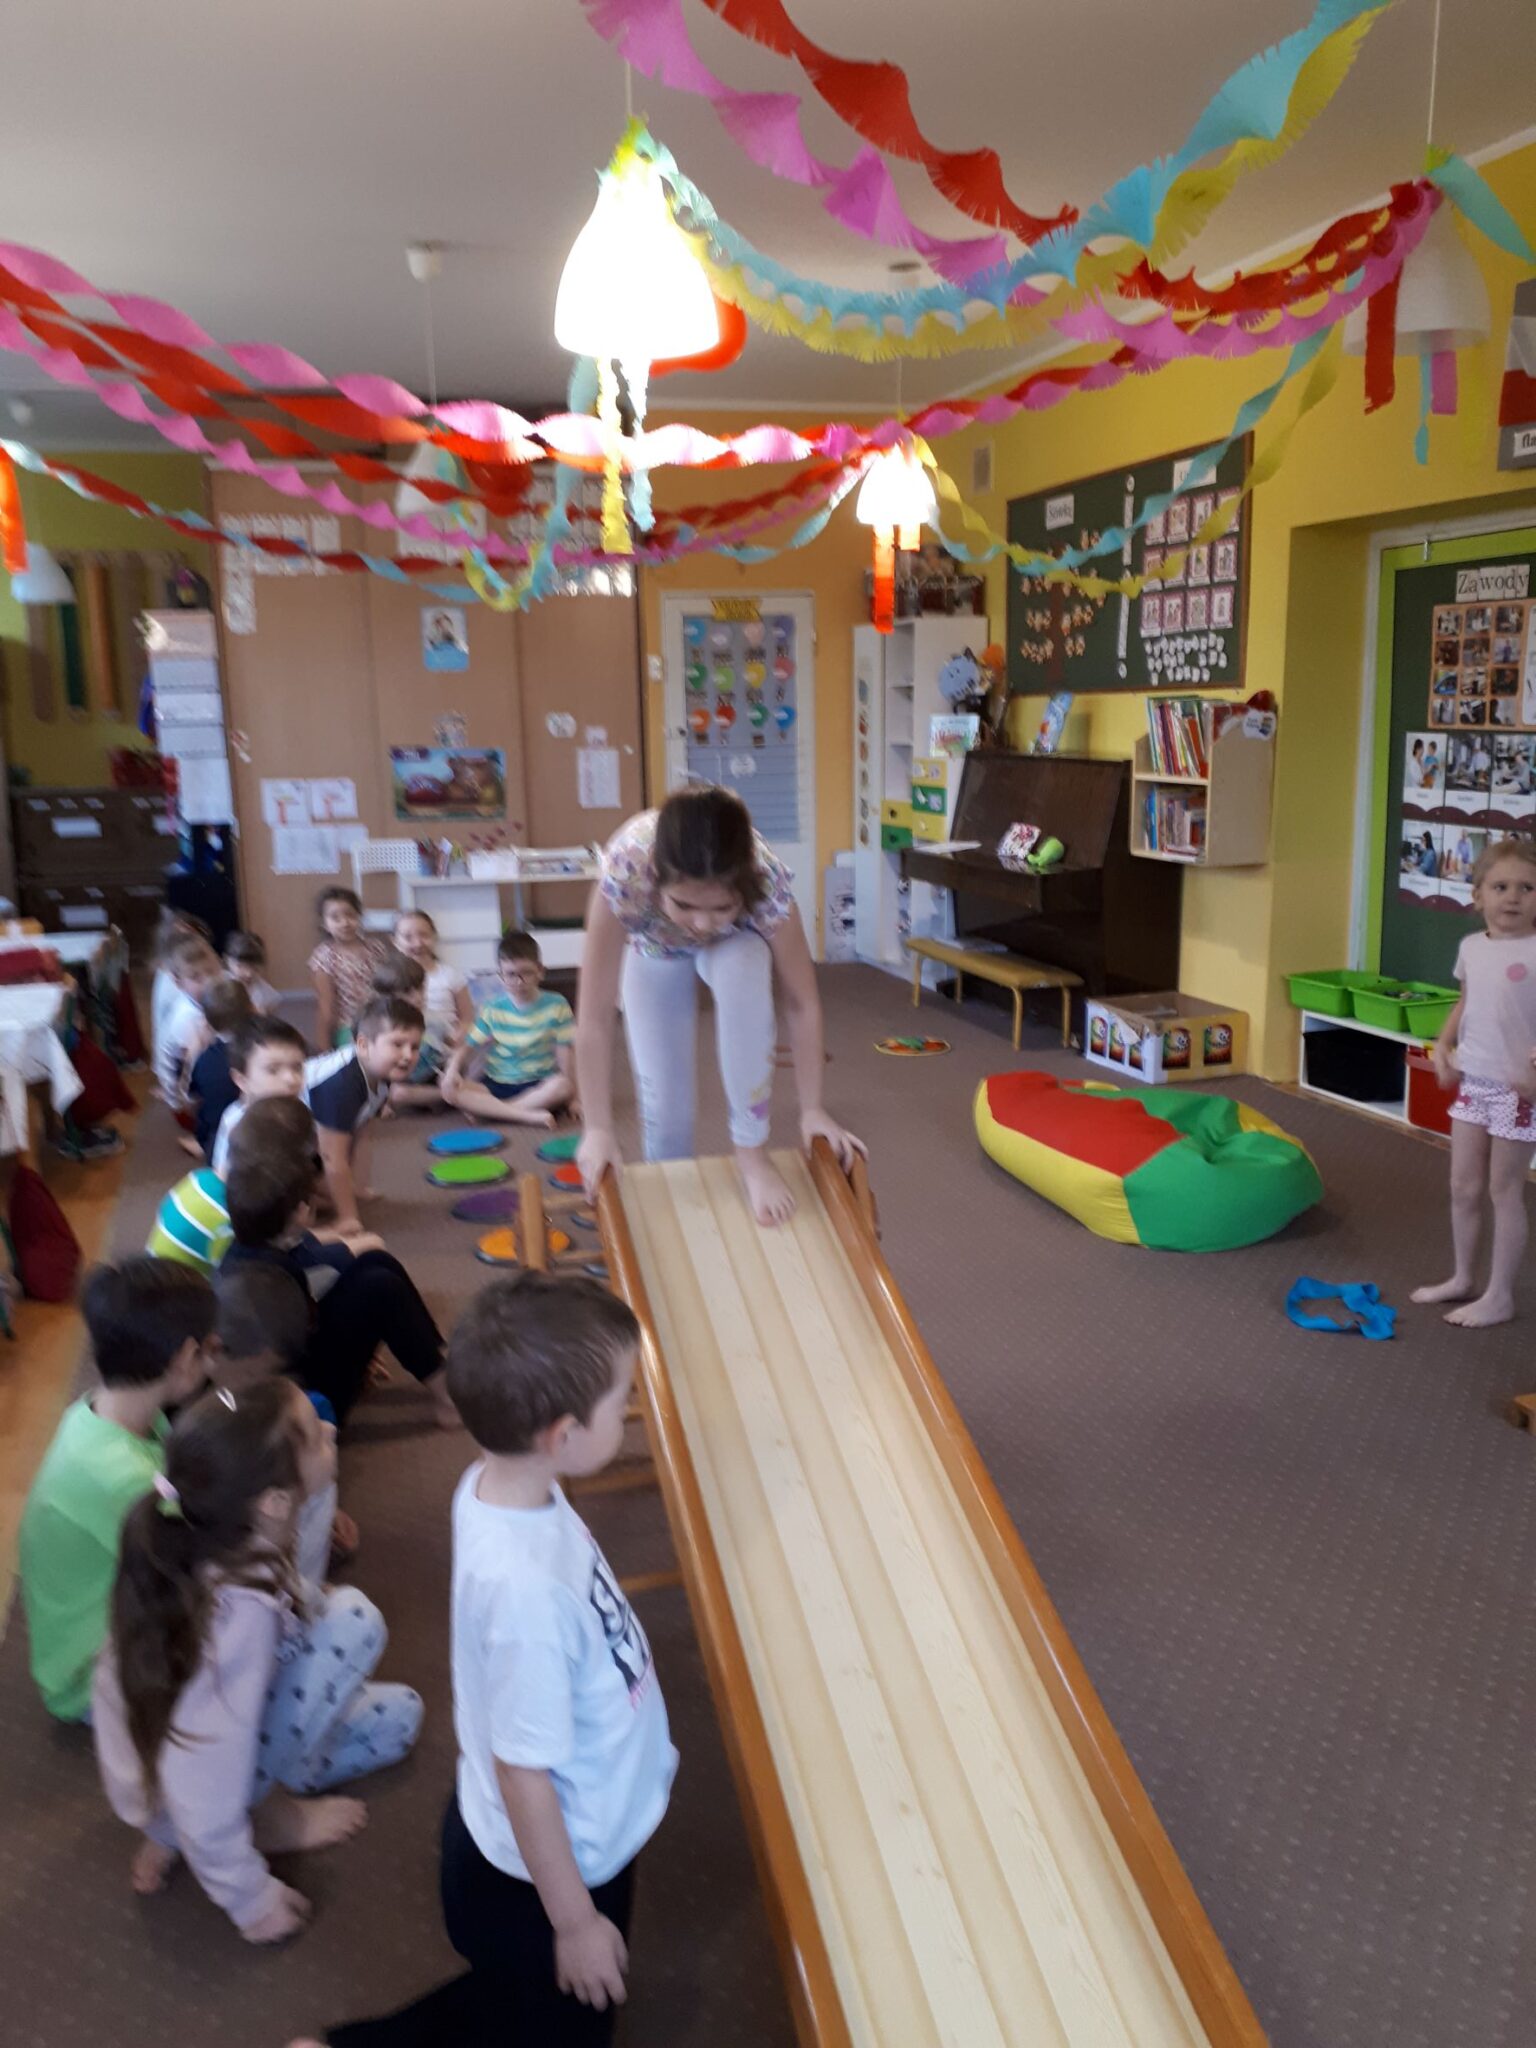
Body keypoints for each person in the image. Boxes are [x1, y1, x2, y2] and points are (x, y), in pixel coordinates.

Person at [290, 1272, 675, 2048]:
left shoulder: (497, 1485)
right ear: (562, 1436)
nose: (632, 1404)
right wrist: (575, 1924)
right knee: (549, 2021)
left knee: (515, 2002)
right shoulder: (526, 1594)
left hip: (565, 1838)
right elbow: (524, 1773)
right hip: (546, 1874)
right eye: (622, 1398)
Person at [93, 1380, 423, 1943]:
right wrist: (249, 1899)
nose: (331, 1430)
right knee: (354, 1622)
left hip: (184, 1759)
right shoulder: (237, 1617)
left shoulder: (220, 1536)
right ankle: (251, 1820)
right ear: (273, 1502)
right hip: (187, 1788)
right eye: (315, 1436)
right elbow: (199, 1768)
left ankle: (206, 1819)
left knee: (399, 1720)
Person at [575, 788, 863, 1225]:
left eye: (722, 907)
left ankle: (752, 1157)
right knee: (666, 1110)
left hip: (734, 947)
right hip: (654, 949)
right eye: (684, 904)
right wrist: (597, 1129)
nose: (702, 922)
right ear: (657, 878)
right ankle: (669, 1174)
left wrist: (812, 1110)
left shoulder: (766, 880)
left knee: (744, 966)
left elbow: (802, 1003)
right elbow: (594, 1016)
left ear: (742, 890)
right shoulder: (626, 870)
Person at [17, 1258, 216, 1721]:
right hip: (92, 1681)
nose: (214, 1361)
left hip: (97, 1635)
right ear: (185, 1357)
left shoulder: (95, 1411)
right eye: (210, 1349)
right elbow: (196, 1569)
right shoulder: (125, 1478)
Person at [221, 1117, 453, 1427]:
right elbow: (288, 1352)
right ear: (301, 1212)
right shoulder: (270, 1278)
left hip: (300, 1362)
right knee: (380, 1288)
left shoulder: (258, 1247)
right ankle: (447, 1396)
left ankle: (436, 1357)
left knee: (375, 1262)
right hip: (302, 1404)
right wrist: (353, 1343)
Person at [1414, 837, 1536, 1328]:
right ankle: (1464, 1278)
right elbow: (1466, 1001)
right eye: (1501, 887)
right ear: (1478, 895)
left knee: (1504, 1190)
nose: (1513, 897)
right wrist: (1444, 1046)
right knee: (1463, 1186)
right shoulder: (1471, 947)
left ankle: (1499, 1295)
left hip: (1517, 1089)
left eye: (1527, 888)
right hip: (1475, 1082)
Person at [213, 1260, 358, 1578]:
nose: (263, 1389)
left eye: (274, 1376)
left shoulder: (287, 1403)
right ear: (214, 1349)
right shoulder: (195, 1412)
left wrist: (326, 1510)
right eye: (252, 1376)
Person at [441, 930, 575, 1130]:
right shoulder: (492, 1008)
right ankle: (524, 1114)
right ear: (501, 976)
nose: (519, 982)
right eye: (511, 975)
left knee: (563, 1086)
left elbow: (565, 1051)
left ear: (540, 970)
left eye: (526, 973)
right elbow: (468, 1045)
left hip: (538, 1082)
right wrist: (451, 1071)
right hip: (496, 1083)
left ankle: (497, 1111)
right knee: (450, 1089)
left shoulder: (557, 1004)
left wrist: (574, 1098)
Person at [209, 1016, 308, 1177]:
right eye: (273, 1070)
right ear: (242, 1080)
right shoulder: (236, 1125)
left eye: (297, 1067)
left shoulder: (300, 1109)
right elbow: (223, 1177)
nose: (291, 1079)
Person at [394, 908, 471, 1096]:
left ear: (434, 937)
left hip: (445, 1046)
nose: (417, 943)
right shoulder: (393, 978)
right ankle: (444, 1096)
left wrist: (459, 1034)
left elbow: (467, 1018)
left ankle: (445, 1091)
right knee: (396, 1091)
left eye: (424, 935)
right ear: (395, 941)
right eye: (408, 937)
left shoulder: (449, 975)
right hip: (408, 1048)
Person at [310, 888, 390, 1051]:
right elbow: (325, 1007)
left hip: (381, 1017)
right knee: (365, 1054)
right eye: (335, 918)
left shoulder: (376, 948)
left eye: (350, 915)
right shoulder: (323, 958)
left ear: (359, 916)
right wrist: (324, 1049)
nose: (345, 923)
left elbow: (389, 987)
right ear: (324, 923)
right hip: (348, 1025)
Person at [156, 931, 221, 1122]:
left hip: (188, 1089)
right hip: (187, 1106)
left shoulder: (197, 1002)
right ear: (178, 982)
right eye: (196, 977)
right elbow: (193, 1070)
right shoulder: (187, 1019)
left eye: (211, 972)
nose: (207, 982)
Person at [189, 976, 254, 1160]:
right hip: (259, 1130)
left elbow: (192, 1098)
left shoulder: (204, 1060)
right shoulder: (263, 1050)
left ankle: (198, 1145)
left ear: (207, 1022)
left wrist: (198, 1048)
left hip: (218, 1140)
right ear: (252, 1009)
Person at [224, 930, 281, 1015]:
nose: (249, 974)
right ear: (228, 961)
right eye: (241, 966)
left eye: (255, 969)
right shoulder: (221, 982)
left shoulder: (267, 994)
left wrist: (263, 1014)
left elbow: (269, 1018)